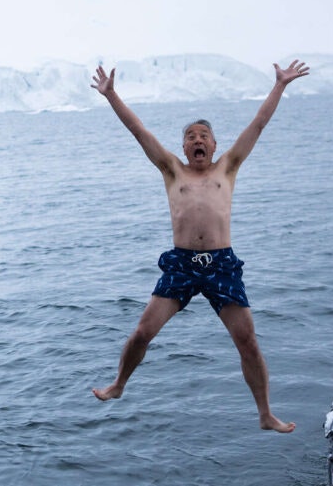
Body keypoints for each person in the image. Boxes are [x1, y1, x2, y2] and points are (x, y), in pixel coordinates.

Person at [89, 60, 310, 433]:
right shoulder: (172, 170)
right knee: (142, 332)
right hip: (182, 265)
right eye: (190, 136)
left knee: (248, 342)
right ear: (183, 146)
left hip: (221, 265)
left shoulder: (228, 167)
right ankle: (119, 385)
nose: (197, 140)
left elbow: (258, 124)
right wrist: (111, 95)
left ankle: (265, 414)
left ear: (214, 145)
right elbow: (137, 129)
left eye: (203, 135)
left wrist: (280, 85)